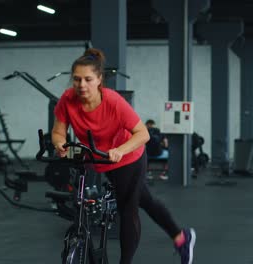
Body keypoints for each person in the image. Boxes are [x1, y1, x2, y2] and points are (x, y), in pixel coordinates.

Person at [51, 48, 196, 264]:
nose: (82, 85)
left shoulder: (113, 102)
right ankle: (182, 237)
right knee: (144, 199)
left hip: (128, 157)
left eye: (88, 79)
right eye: (77, 79)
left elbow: (143, 134)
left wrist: (120, 150)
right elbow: (58, 132)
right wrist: (60, 145)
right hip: (99, 158)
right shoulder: (67, 100)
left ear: (99, 79)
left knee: (128, 208)